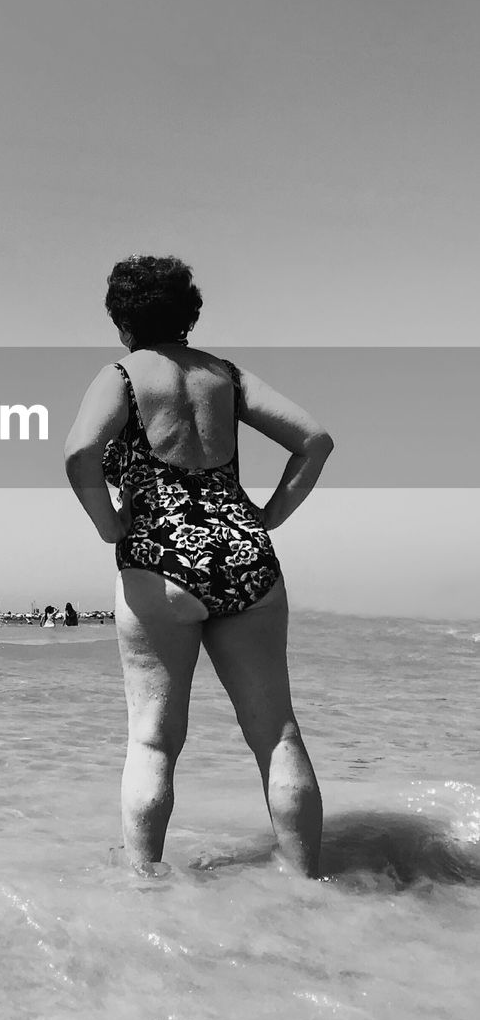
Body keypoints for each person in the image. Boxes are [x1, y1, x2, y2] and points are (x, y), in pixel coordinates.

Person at [64, 254, 332, 878]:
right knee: (278, 736)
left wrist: (111, 526)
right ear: (189, 312)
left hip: (159, 563)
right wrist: (267, 518)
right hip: (247, 559)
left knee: (153, 742)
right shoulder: (226, 376)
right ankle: (308, 888)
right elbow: (314, 440)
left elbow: (80, 453)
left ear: (121, 319)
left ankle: (146, 889)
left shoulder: (122, 377)